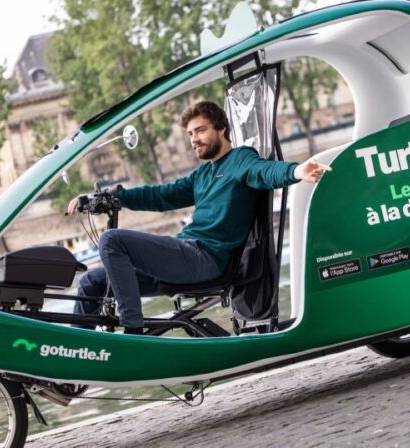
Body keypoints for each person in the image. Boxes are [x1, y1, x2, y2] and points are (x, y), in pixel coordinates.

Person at [67, 101, 331, 334]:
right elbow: (160, 195)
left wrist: (296, 171)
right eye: (190, 134)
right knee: (93, 281)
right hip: (183, 256)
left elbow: (264, 171)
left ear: (221, 129)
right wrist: (109, 197)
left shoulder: (240, 159)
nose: (194, 139)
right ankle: (75, 357)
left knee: (112, 240)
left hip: (205, 258)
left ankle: (133, 329)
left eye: (201, 130)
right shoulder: (202, 175)